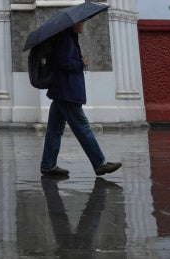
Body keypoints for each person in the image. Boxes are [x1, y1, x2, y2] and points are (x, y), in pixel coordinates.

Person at [40, 21, 121, 177]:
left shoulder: (68, 37)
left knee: (54, 130)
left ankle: (48, 165)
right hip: (67, 91)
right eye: (81, 22)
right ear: (73, 24)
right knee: (82, 128)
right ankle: (100, 164)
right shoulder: (65, 38)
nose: (83, 25)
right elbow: (63, 62)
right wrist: (81, 62)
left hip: (61, 91)